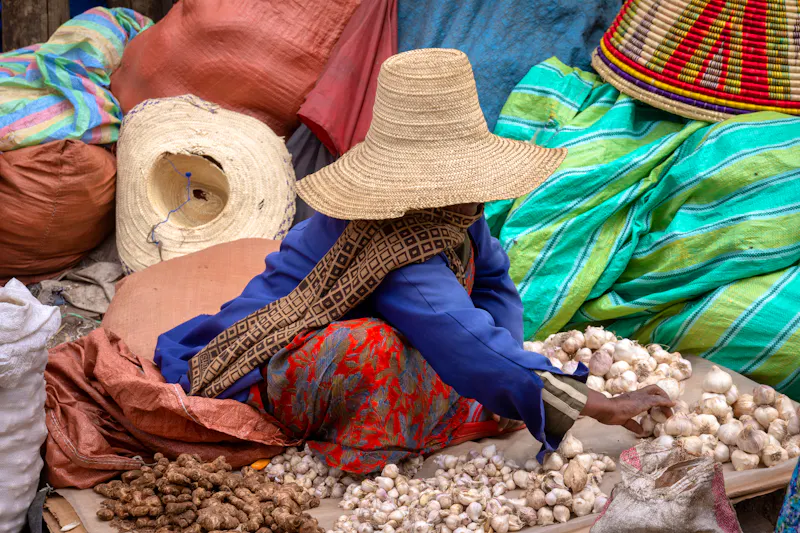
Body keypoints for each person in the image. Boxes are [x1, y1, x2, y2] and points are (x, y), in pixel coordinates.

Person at [155, 48, 673, 473]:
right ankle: (364, 437)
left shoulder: (456, 213)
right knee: (377, 348)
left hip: (392, 333)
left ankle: (495, 385)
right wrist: (590, 403)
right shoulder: (401, 239)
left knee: (476, 361)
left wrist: (509, 359)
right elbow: (454, 329)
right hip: (266, 367)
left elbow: (492, 284)